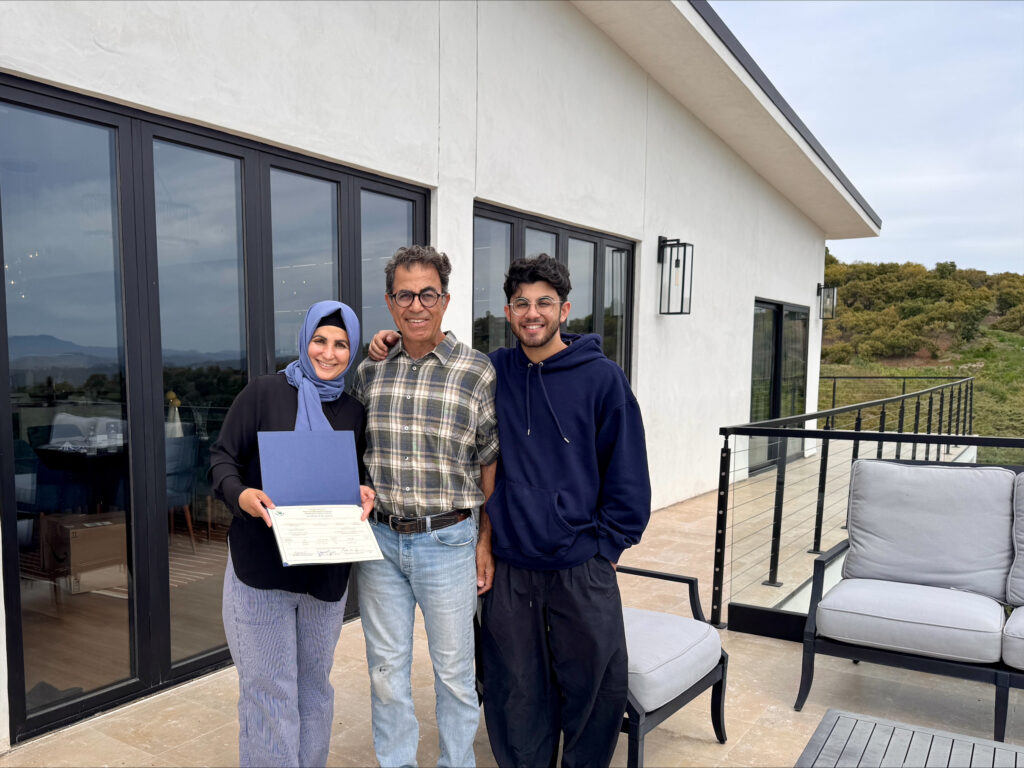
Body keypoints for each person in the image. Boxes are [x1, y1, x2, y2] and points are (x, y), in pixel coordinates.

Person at [369, 253, 651, 767]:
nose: (532, 313)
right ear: (507, 310)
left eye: (544, 302)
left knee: (592, 688)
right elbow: (430, 352)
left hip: (579, 564)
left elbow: (628, 473)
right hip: (514, 566)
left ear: (565, 310)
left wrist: (607, 549)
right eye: (521, 303)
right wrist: (387, 341)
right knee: (514, 693)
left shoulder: (602, 379)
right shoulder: (493, 370)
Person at [210, 300, 376, 768]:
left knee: (315, 691)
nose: (329, 352)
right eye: (319, 340)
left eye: (341, 344)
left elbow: (353, 477)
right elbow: (222, 458)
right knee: (270, 693)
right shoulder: (264, 394)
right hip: (260, 572)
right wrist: (241, 495)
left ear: (353, 350)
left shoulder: (353, 411)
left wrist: (365, 493)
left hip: (323, 576)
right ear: (304, 341)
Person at [352, 244, 499, 768]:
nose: (417, 305)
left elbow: (489, 461)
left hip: (448, 540)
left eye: (428, 294)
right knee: (385, 672)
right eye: (405, 295)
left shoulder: (476, 372)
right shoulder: (369, 373)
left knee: (455, 673)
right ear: (390, 304)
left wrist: (485, 538)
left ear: (446, 299)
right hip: (380, 544)